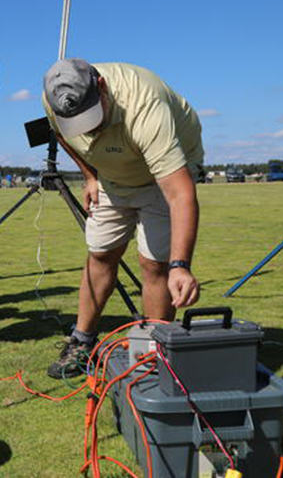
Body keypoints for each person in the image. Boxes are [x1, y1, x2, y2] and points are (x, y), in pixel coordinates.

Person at [42, 59, 203, 379]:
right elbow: (62, 136)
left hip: (161, 178)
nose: (87, 129)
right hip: (111, 180)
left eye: (91, 116)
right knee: (100, 253)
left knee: (155, 264)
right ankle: (82, 340)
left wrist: (180, 266)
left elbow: (180, 193)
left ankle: (155, 350)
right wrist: (90, 177)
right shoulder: (53, 99)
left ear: (102, 87)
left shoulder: (145, 107)